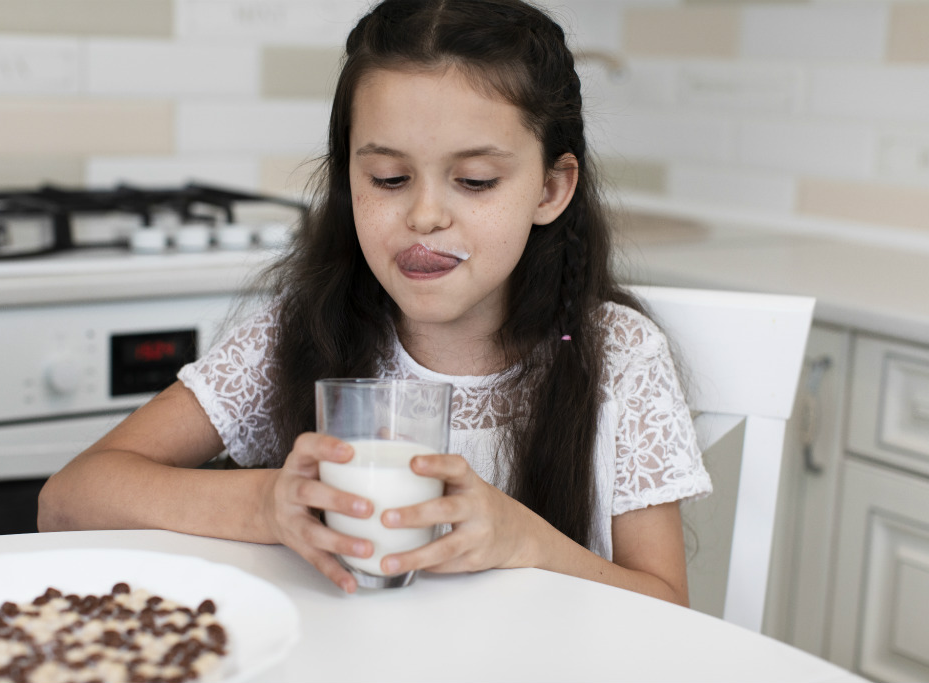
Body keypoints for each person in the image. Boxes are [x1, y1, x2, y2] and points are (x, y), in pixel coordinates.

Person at [39, 0, 711, 604]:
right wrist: (268, 503)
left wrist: (523, 542)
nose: (424, 215)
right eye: (388, 177)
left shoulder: (618, 356)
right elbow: (68, 499)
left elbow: (668, 608)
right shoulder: (305, 330)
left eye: (474, 180)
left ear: (550, 189)